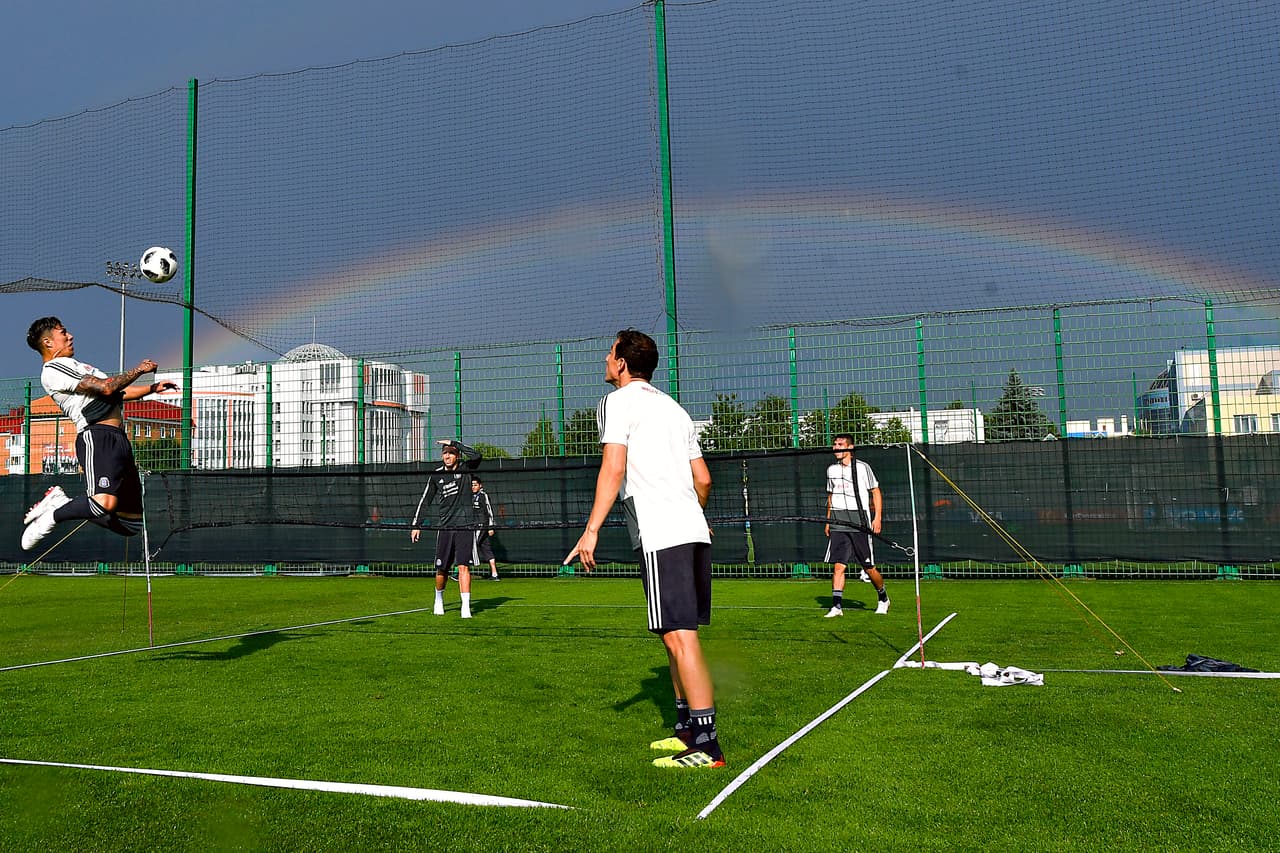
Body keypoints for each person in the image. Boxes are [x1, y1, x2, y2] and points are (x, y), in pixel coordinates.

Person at [565, 329, 724, 769]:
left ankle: (709, 748)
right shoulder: (675, 408)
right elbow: (704, 480)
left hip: (662, 532)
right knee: (671, 637)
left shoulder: (617, 403)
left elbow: (613, 467)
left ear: (621, 362)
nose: (604, 357)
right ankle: (685, 730)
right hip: (690, 529)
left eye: (609, 352)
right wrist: (695, 512)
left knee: (680, 637)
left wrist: (591, 529)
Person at [21, 317, 178, 550]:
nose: (70, 336)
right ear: (48, 343)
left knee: (130, 523)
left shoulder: (80, 366)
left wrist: (152, 388)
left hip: (119, 439)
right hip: (97, 436)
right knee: (103, 502)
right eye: (63, 333)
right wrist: (139, 370)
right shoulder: (53, 369)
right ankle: (53, 514)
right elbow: (106, 387)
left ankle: (64, 503)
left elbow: (116, 392)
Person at [411, 439, 482, 618]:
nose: (447, 456)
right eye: (445, 453)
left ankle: (465, 607)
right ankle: (439, 599)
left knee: (463, 566)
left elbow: (477, 455)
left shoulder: (465, 469)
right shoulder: (436, 476)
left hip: (465, 526)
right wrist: (417, 525)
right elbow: (425, 500)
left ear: (457, 455)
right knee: (442, 569)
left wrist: (454, 443)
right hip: (445, 527)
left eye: (451, 452)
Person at [823, 433, 890, 617]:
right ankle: (836, 606)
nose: (836, 447)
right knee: (839, 565)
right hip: (838, 520)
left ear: (850, 448)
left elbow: (875, 491)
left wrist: (877, 518)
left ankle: (883, 597)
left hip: (859, 521)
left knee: (868, 567)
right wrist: (829, 520)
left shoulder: (862, 468)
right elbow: (830, 496)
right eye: (835, 444)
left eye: (840, 444)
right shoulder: (831, 470)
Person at [471, 477, 499, 580]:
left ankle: (461, 571)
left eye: (475, 485)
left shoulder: (483, 496)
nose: (473, 487)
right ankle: (495, 574)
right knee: (486, 548)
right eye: (472, 485)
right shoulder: (470, 496)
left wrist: (490, 527)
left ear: (480, 485)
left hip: (482, 525)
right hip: (473, 525)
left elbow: (489, 510)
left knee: (471, 544)